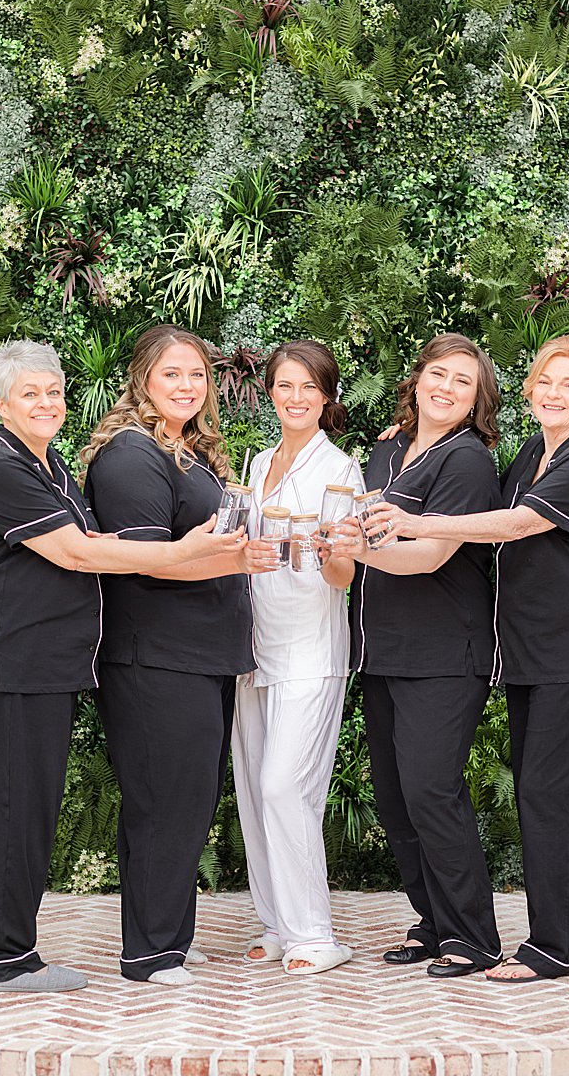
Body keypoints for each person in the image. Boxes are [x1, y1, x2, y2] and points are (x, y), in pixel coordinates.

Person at [0, 340, 242, 993]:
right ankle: (7, 957)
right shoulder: (0, 464)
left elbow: (95, 543)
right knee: (26, 803)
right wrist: (182, 550)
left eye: (53, 391)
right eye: (30, 394)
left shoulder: (44, 465)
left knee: (17, 797)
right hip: (19, 652)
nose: (46, 403)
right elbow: (76, 553)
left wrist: (177, 551)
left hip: (49, 655)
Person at [361, 334, 569, 982]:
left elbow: (512, 525)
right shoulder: (535, 452)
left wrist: (417, 522)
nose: (554, 393)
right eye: (545, 381)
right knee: (563, 795)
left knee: (547, 794)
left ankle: (552, 948)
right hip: (532, 654)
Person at [81, 325, 281, 987]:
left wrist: (234, 557)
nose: (186, 386)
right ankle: (150, 952)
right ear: (142, 378)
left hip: (194, 656)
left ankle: (164, 934)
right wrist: (227, 557)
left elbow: (199, 549)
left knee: (184, 799)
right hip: (154, 658)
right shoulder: (133, 456)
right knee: (166, 801)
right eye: (172, 374)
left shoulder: (184, 450)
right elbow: (146, 562)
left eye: (196, 374)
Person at [328, 333, 505, 978]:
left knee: (432, 789)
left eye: (463, 381)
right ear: (418, 379)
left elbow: (430, 556)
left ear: (477, 397)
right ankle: (433, 921)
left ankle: (474, 936)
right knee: (397, 797)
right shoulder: (386, 451)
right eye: (438, 373)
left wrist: (343, 550)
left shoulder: (467, 463)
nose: (446, 388)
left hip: (442, 654)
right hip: (379, 652)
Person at [231, 341, 363, 976]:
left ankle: (315, 933)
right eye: (285, 386)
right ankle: (276, 923)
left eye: (309, 387)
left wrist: (329, 549)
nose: (296, 398)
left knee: (287, 786)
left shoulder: (340, 470)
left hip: (311, 648)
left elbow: (344, 575)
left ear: (326, 396)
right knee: (255, 788)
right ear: (270, 393)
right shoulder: (257, 464)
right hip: (253, 646)